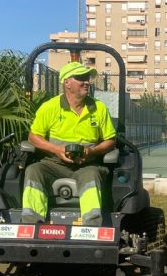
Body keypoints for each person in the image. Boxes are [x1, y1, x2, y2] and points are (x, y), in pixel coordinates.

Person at [21, 61, 116, 226]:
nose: (86, 81)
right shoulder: (49, 107)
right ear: (67, 82)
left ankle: (92, 227)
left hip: (87, 164)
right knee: (34, 170)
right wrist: (57, 150)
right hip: (53, 163)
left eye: (87, 78)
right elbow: (33, 137)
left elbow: (110, 140)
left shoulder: (99, 108)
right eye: (81, 78)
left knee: (91, 176)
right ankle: (31, 224)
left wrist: (91, 152)